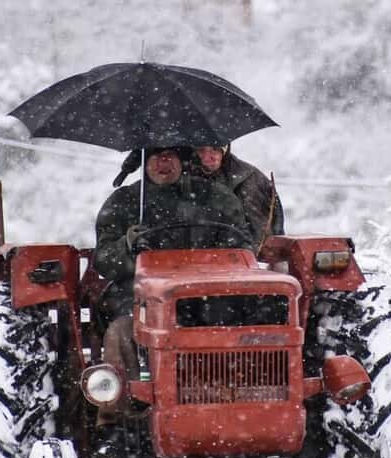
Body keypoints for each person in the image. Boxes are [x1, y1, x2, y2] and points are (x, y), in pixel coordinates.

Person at [93, 146, 251, 428]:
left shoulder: (216, 198)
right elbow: (103, 262)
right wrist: (127, 246)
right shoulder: (124, 202)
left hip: (208, 299)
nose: (163, 162)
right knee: (121, 331)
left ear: (183, 159)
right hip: (138, 298)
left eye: (171, 155)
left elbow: (241, 248)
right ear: (143, 161)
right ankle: (118, 420)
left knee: (244, 324)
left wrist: (211, 263)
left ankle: (239, 408)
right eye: (155, 155)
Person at [192, 144, 284, 248]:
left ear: (224, 151)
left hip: (242, 257)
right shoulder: (189, 176)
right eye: (201, 150)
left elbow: (258, 236)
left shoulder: (248, 180)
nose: (207, 156)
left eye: (215, 149)